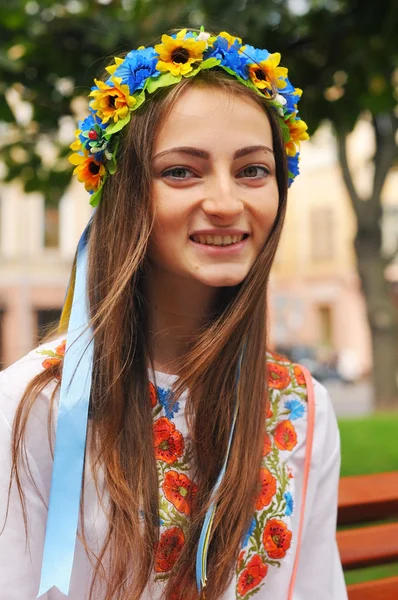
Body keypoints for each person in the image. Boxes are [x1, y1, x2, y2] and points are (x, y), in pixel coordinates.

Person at [0, 28, 347, 600]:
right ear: (126, 193)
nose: (226, 202)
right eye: (182, 171)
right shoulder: (34, 403)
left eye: (252, 170)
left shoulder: (302, 405)